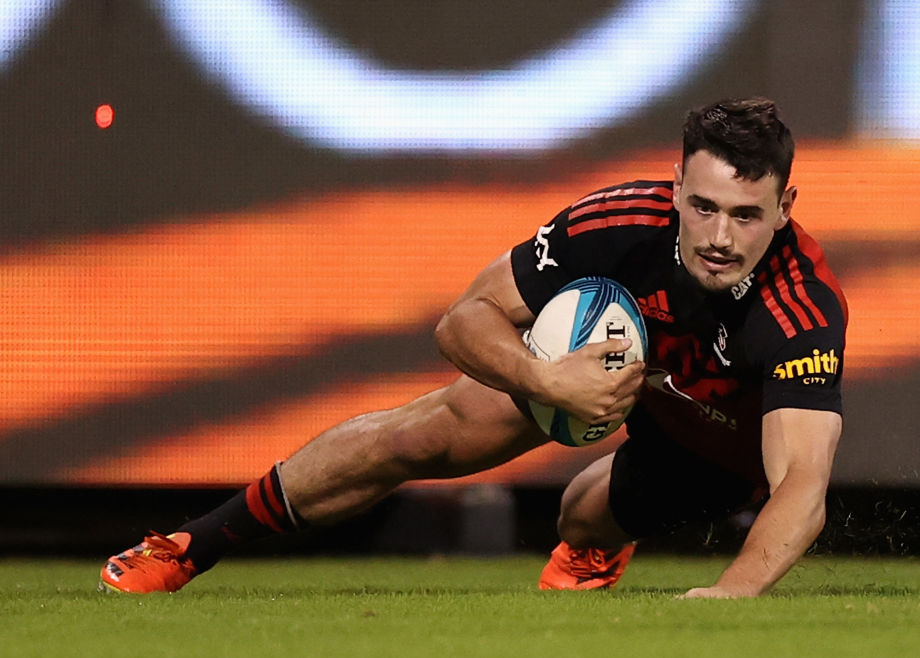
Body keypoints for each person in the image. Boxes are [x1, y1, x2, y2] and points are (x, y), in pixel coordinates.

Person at [100, 97, 847, 598]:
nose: (720, 238)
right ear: (677, 182)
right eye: (704, 206)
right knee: (425, 432)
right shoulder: (618, 224)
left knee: (580, 515)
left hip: (713, 440)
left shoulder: (801, 305)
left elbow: (801, 489)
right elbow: (463, 320)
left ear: (784, 208)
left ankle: (596, 545)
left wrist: (730, 593)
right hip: (601, 370)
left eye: (747, 216)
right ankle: (188, 547)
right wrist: (546, 381)